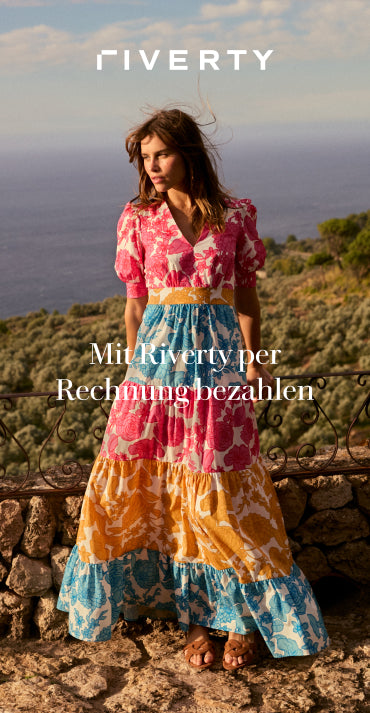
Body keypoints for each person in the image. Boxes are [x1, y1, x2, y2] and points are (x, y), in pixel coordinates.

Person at [58, 107, 329, 671]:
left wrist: (254, 362)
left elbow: (247, 297)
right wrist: (135, 371)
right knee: (156, 484)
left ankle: (242, 621)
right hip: (155, 367)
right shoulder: (136, 218)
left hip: (217, 365)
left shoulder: (235, 215)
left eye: (162, 154)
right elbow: (135, 304)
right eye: (145, 158)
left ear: (188, 152)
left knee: (222, 493)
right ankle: (197, 620)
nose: (153, 166)